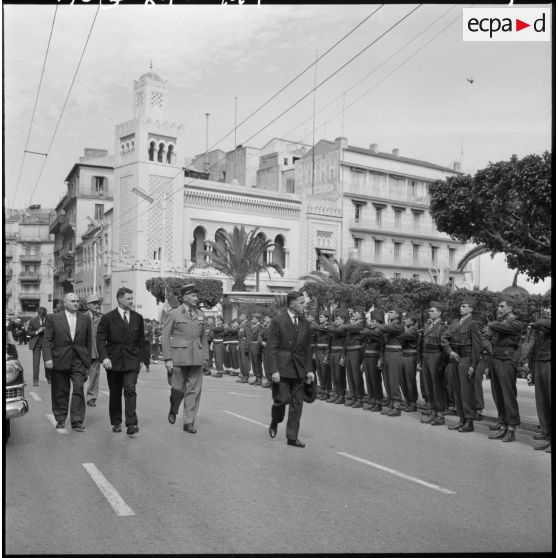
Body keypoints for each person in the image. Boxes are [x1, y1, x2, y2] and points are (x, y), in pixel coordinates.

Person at [267, 290, 314, 448]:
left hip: (299, 368)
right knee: (280, 401)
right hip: (282, 368)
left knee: (297, 404)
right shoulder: (278, 321)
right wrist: (273, 370)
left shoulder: (305, 323)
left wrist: (309, 370)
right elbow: (272, 348)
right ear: (292, 304)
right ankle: (275, 421)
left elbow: (308, 349)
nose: (304, 305)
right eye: (301, 303)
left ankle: (292, 437)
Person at [97, 287, 145, 436]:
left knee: (130, 390)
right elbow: (100, 339)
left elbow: (141, 341)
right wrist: (104, 357)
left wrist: (142, 359)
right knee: (116, 392)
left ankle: (131, 424)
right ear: (119, 299)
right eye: (129, 299)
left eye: (132, 298)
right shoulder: (107, 318)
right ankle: (116, 422)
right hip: (113, 361)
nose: (132, 301)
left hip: (132, 361)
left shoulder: (138, 317)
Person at [162, 284, 209, 434]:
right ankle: (173, 407)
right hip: (178, 357)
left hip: (196, 358)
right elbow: (165, 337)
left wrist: (206, 358)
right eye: (194, 296)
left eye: (197, 295)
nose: (197, 298)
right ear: (185, 297)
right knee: (178, 390)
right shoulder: (173, 313)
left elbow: (204, 338)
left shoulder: (201, 315)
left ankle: (188, 422)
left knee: (194, 391)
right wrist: (167, 359)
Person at [43, 293, 92, 431]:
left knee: (78, 388)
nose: (76, 303)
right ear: (65, 303)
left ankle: (77, 420)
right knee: (60, 390)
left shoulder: (85, 319)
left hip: (79, 360)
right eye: (72, 301)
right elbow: (46, 341)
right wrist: (48, 359)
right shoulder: (53, 318)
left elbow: (88, 342)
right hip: (59, 359)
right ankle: (60, 417)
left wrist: (87, 361)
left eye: (77, 301)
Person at [485, 298, 523, 443]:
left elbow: (493, 326)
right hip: (496, 359)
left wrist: (492, 323)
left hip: (507, 361)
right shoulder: (501, 324)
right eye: (498, 306)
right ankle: (503, 425)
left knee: (508, 395)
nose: (498, 309)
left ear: (510, 308)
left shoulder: (516, 323)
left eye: (502, 306)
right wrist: (490, 348)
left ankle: (511, 428)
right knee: (498, 394)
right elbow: (487, 337)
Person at [444, 298, 483, 433]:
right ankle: (461, 420)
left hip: (466, 359)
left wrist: (473, 365)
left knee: (466, 391)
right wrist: (450, 351)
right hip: (456, 358)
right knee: (458, 391)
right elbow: (444, 337)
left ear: (471, 309)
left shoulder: (473, 324)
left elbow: (477, 346)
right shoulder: (455, 322)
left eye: (464, 306)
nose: (461, 308)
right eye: (461, 306)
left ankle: (469, 421)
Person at [418, 301, 449, 426]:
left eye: (432, 311)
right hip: (426, 356)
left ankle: (440, 415)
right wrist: (420, 360)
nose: (429, 313)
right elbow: (422, 345)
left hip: (436, 357)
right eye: (429, 311)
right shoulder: (428, 326)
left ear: (440, 313)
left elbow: (444, 347)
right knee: (429, 385)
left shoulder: (442, 327)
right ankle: (432, 413)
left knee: (437, 387)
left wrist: (442, 364)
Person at [525, 305, 552, 452]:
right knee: (542, 401)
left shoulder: (545, 324)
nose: (547, 310)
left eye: (551, 308)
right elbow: (534, 350)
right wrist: (531, 369)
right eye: (546, 308)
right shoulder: (542, 328)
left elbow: (544, 323)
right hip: (540, 364)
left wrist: (535, 324)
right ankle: (547, 433)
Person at [377, 308, 405, 417]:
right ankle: (391, 404)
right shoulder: (389, 327)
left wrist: (377, 325)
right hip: (387, 354)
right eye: (389, 312)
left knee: (394, 380)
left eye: (392, 312)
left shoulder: (399, 326)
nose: (389, 314)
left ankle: (397, 406)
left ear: (397, 315)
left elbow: (385, 328)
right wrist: (381, 357)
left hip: (395, 354)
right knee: (387, 380)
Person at [361, 310, 385, 412]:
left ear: (379, 322)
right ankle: (372, 400)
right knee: (369, 379)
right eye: (371, 320)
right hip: (367, 357)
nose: (371, 322)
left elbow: (372, 333)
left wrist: (365, 328)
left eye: (373, 321)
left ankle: (378, 402)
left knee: (375, 381)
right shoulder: (370, 330)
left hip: (375, 357)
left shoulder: (379, 331)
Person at [343, 306, 365, 408]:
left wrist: (344, 325)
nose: (354, 314)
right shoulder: (352, 324)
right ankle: (353, 396)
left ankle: (359, 398)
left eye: (356, 312)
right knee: (350, 375)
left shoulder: (361, 324)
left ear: (361, 315)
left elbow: (351, 328)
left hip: (357, 351)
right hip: (349, 350)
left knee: (356, 376)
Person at [85, 294, 103, 407]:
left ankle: (91, 397)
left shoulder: (101, 317)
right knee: (80, 376)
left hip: (96, 351)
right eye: (94, 303)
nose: (97, 305)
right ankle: (78, 395)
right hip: (83, 351)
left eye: (98, 303)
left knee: (95, 376)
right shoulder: (81, 317)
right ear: (88, 305)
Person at [327, 309, 348, 404]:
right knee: (334, 375)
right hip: (333, 352)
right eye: (335, 319)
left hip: (339, 352)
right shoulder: (335, 329)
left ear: (343, 320)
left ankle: (341, 395)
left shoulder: (343, 329)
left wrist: (343, 356)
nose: (336, 321)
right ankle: (336, 394)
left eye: (338, 319)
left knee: (340, 375)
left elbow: (345, 344)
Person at [400, 312, 420, 413]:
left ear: (412, 322)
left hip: (410, 357)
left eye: (407, 319)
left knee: (409, 380)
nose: (405, 320)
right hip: (403, 356)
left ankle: (412, 403)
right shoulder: (406, 330)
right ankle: (407, 400)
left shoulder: (413, 331)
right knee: (402, 380)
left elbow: (402, 336)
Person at [312, 310, 332, 401]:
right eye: (319, 317)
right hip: (318, 351)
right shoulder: (319, 327)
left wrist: (327, 355)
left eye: (321, 317)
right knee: (320, 372)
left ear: (327, 318)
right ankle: (323, 390)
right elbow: (316, 341)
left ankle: (327, 391)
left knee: (325, 373)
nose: (319, 319)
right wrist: (315, 352)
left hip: (325, 352)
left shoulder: (329, 327)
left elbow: (329, 343)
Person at [27, 307, 50, 386]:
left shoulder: (49, 319)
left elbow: (52, 330)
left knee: (47, 361)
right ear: (39, 314)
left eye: (44, 316)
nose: (43, 317)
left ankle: (49, 378)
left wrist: (47, 329)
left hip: (46, 343)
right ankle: (35, 380)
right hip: (36, 343)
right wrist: (37, 331)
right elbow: (28, 332)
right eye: (42, 316)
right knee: (36, 363)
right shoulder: (33, 320)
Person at [249, 313, 264, 386]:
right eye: (252, 319)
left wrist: (259, 346)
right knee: (254, 363)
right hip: (252, 344)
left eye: (253, 318)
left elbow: (259, 337)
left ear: (258, 319)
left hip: (257, 345)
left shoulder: (259, 327)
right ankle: (256, 377)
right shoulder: (253, 326)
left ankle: (259, 379)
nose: (252, 320)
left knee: (257, 363)